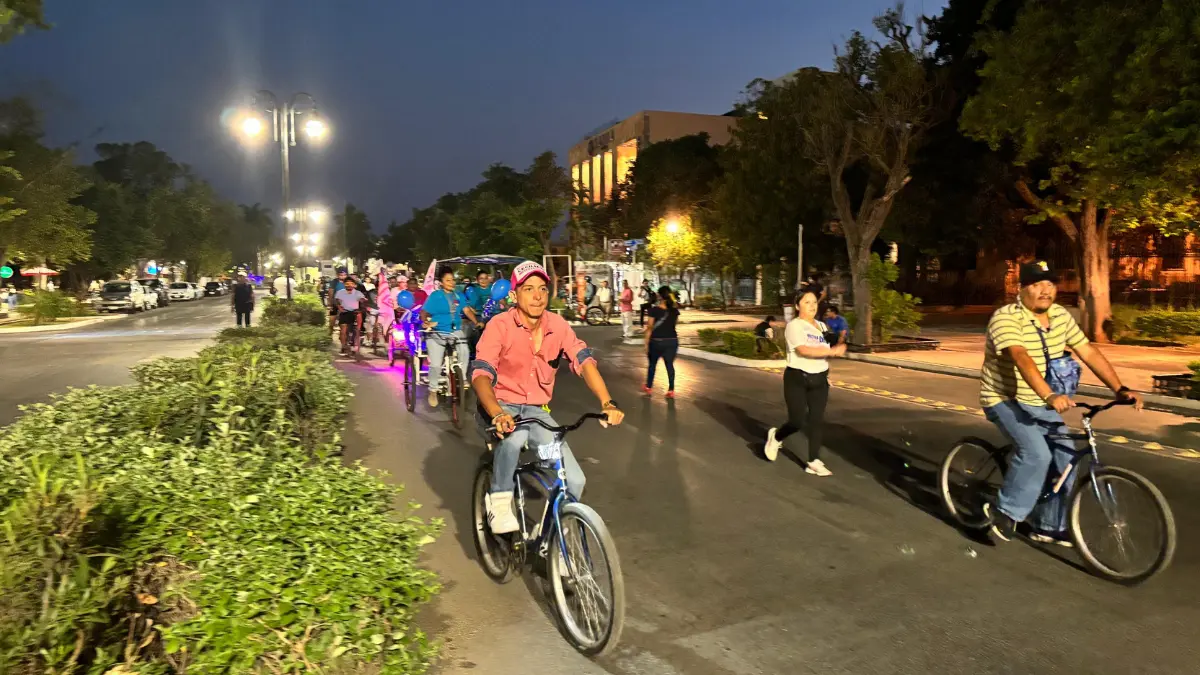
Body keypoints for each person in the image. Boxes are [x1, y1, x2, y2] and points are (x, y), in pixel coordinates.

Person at [980, 261, 1142, 545]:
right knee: (1036, 454)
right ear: (1021, 288)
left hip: (1042, 401)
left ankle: (1047, 525)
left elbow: (1087, 352)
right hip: (1005, 399)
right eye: (1037, 284)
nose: (1045, 291)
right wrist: (1050, 395)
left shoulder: (1060, 316)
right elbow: (1021, 357)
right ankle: (1004, 511)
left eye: (1050, 284)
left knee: (1066, 458)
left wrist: (1120, 388)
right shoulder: (1005, 318)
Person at [469, 260, 625, 533]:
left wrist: (607, 402)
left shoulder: (558, 326)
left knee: (573, 479)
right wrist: (497, 412)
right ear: (514, 295)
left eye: (542, 288)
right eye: (528, 289)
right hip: (498, 409)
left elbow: (584, 362)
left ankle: (556, 540)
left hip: (536, 415)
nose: (538, 295)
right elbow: (482, 374)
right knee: (513, 436)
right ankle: (500, 502)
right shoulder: (500, 325)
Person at [764, 290, 846, 476]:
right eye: (807, 302)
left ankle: (813, 460)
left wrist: (828, 364)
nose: (812, 305)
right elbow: (803, 350)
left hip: (819, 379)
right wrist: (833, 352)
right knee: (797, 421)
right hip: (797, 379)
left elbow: (824, 350)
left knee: (816, 420)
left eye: (814, 302)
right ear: (797, 305)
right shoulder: (794, 326)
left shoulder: (822, 326)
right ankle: (776, 437)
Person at [420, 266, 480, 408]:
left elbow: (466, 310)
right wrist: (426, 321)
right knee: (435, 364)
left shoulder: (459, 295)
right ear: (441, 282)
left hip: (455, 331)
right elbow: (424, 311)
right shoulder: (435, 296)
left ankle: (463, 377)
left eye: (453, 280)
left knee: (465, 350)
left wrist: (476, 322)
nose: (451, 283)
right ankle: (433, 390)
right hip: (436, 332)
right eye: (448, 280)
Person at [643, 285, 680, 398]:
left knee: (652, 365)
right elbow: (674, 325)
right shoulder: (674, 311)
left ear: (659, 296)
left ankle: (649, 387)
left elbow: (649, 327)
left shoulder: (654, 310)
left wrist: (646, 343)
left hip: (656, 342)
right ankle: (671, 390)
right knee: (669, 365)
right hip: (672, 341)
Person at [334, 277, 367, 355]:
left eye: (351, 284)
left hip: (355, 313)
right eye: (347, 284)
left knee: (357, 329)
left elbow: (363, 300)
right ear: (344, 284)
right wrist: (339, 307)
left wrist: (364, 302)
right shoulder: (340, 292)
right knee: (343, 331)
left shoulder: (358, 293)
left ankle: (355, 344)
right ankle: (343, 346)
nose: (349, 285)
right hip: (344, 313)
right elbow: (337, 301)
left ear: (354, 285)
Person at [327, 268, 349, 332]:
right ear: (338, 275)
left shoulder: (349, 282)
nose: (343, 276)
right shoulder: (334, 282)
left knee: (345, 319)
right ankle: (331, 330)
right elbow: (330, 292)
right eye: (341, 275)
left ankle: (343, 332)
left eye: (344, 275)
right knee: (332, 316)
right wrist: (330, 303)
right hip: (335, 303)